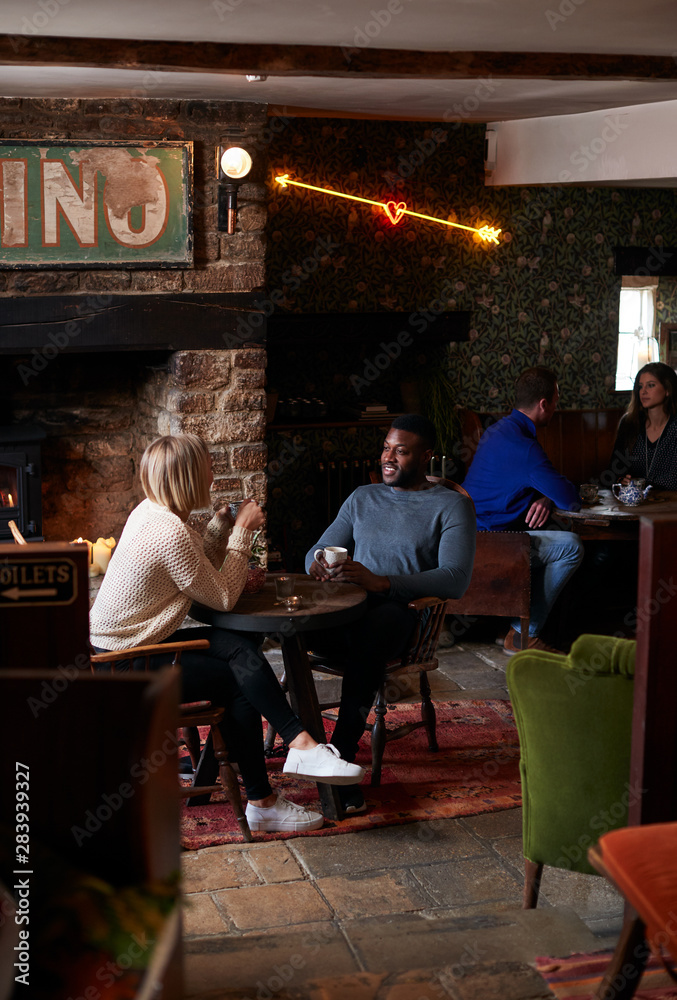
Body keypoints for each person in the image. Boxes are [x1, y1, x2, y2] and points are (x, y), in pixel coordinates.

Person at [90, 434, 364, 834]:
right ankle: (268, 793)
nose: (213, 475)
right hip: (124, 666)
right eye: (207, 467)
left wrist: (220, 527)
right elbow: (221, 597)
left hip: (119, 651)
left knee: (239, 649)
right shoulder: (170, 533)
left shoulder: (151, 513)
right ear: (188, 477)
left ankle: (295, 752)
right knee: (239, 679)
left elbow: (195, 568)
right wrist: (242, 533)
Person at [305, 414, 476, 814]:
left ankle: (339, 758)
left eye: (401, 451)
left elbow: (455, 579)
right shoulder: (362, 497)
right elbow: (317, 549)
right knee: (288, 628)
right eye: (386, 448)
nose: (388, 457)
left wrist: (382, 582)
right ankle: (301, 741)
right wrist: (317, 564)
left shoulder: (452, 505)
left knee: (370, 638)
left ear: (426, 455)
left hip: (402, 614)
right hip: (347, 608)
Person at [462, 366, 584, 655]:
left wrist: (545, 497)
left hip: (467, 535)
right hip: (487, 545)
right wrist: (551, 497)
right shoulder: (524, 447)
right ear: (543, 404)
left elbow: (534, 486)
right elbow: (570, 500)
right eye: (556, 400)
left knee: (549, 533)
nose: (556, 407)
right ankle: (521, 634)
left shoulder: (498, 430)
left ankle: (512, 624)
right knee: (571, 547)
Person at [611, 362, 677, 490]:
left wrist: (641, 483)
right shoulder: (629, 423)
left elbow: (674, 479)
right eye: (640, 387)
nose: (643, 391)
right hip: (633, 499)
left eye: (651, 385)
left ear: (668, 390)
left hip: (670, 500)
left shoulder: (674, 427)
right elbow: (614, 470)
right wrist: (621, 480)